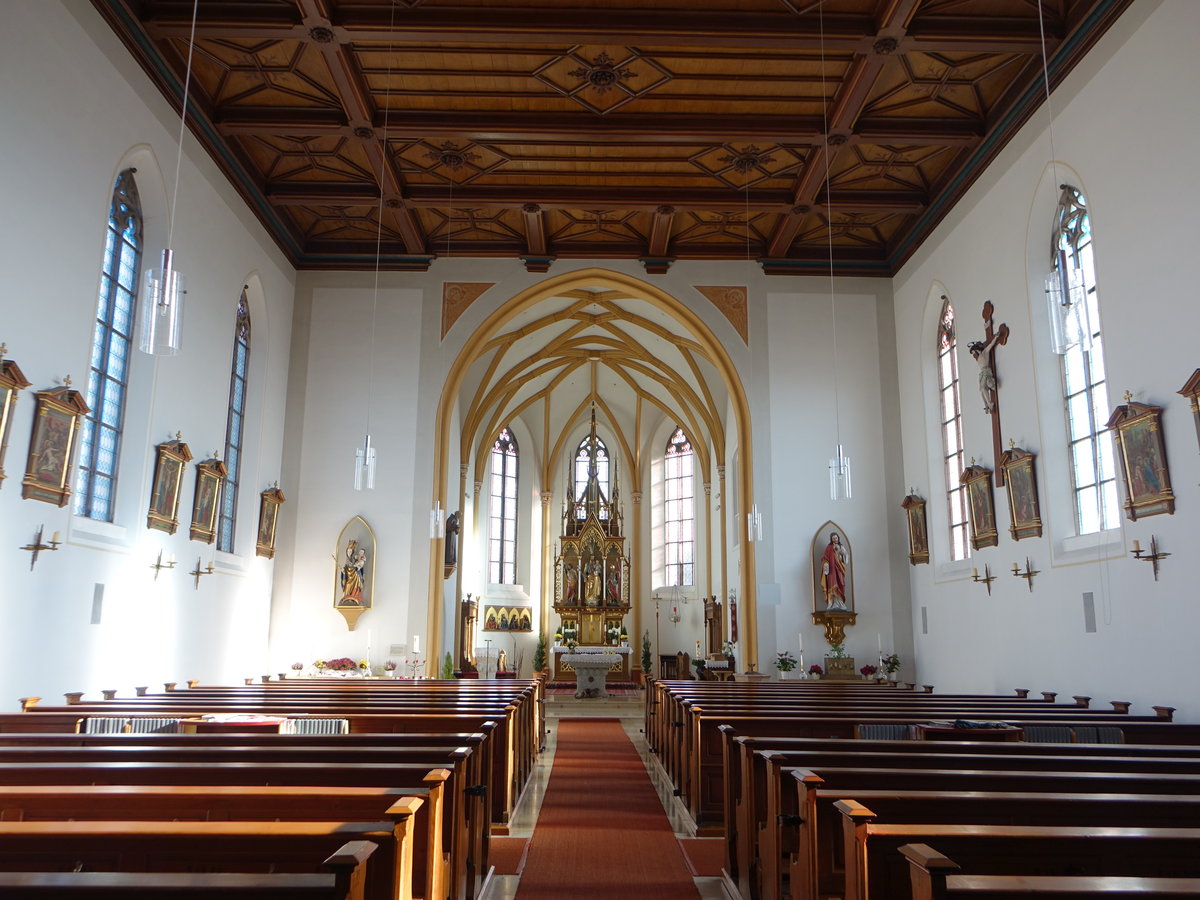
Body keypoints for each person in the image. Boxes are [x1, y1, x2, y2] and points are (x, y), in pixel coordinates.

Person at [821, 531, 849, 610]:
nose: (835, 539)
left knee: (841, 584)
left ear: (838, 538)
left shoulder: (841, 546)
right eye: (833, 538)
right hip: (832, 570)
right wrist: (826, 564)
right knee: (831, 585)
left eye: (836, 538)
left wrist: (844, 554)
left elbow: (846, 559)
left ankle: (841, 603)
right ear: (831, 539)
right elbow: (824, 558)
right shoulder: (829, 548)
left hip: (839, 569)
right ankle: (831, 603)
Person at [339, 540, 365, 605]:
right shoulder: (347, 559)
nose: (349, 552)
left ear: (352, 551)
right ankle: (346, 597)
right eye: (348, 550)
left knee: (357, 583)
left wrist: (357, 566)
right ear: (346, 551)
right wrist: (343, 571)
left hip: (355, 575)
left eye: (351, 551)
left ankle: (354, 597)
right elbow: (346, 568)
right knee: (347, 585)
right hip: (348, 577)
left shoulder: (354, 558)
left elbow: (358, 565)